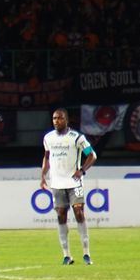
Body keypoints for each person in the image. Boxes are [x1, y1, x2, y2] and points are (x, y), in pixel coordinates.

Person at [40, 108, 97, 265]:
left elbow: (92, 155)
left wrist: (82, 170)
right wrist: (42, 176)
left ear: (66, 120)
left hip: (74, 182)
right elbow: (47, 158)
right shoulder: (48, 138)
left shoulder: (77, 137)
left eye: (60, 118)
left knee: (79, 211)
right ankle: (66, 255)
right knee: (61, 216)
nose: (56, 121)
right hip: (57, 183)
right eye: (54, 118)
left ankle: (86, 253)